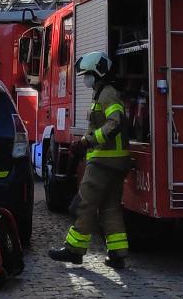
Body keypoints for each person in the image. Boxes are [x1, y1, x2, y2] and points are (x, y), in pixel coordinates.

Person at [48, 51, 130, 269]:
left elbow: (114, 123)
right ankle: (118, 254)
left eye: (87, 74)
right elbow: (102, 125)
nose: (85, 79)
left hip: (104, 161)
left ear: (98, 73)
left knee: (84, 204)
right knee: (110, 207)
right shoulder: (106, 92)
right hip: (115, 162)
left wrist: (88, 142)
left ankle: (74, 251)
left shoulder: (107, 94)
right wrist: (84, 141)